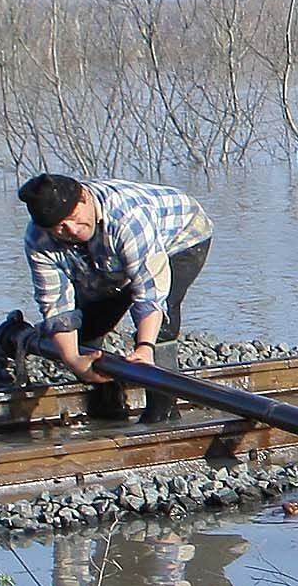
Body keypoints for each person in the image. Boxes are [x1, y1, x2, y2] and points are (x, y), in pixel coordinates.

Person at [14, 173, 213, 422]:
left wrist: (144, 348)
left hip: (181, 236)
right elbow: (56, 306)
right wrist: (74, 360)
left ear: (85, 197)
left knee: (163, 320)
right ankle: (108, 408)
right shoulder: (38, 240)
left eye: (75, 219)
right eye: (61, 228)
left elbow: (149, 292)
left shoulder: (128, 217)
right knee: (88, 326)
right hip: (109, 258)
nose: (72, 230)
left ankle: (163, 410)